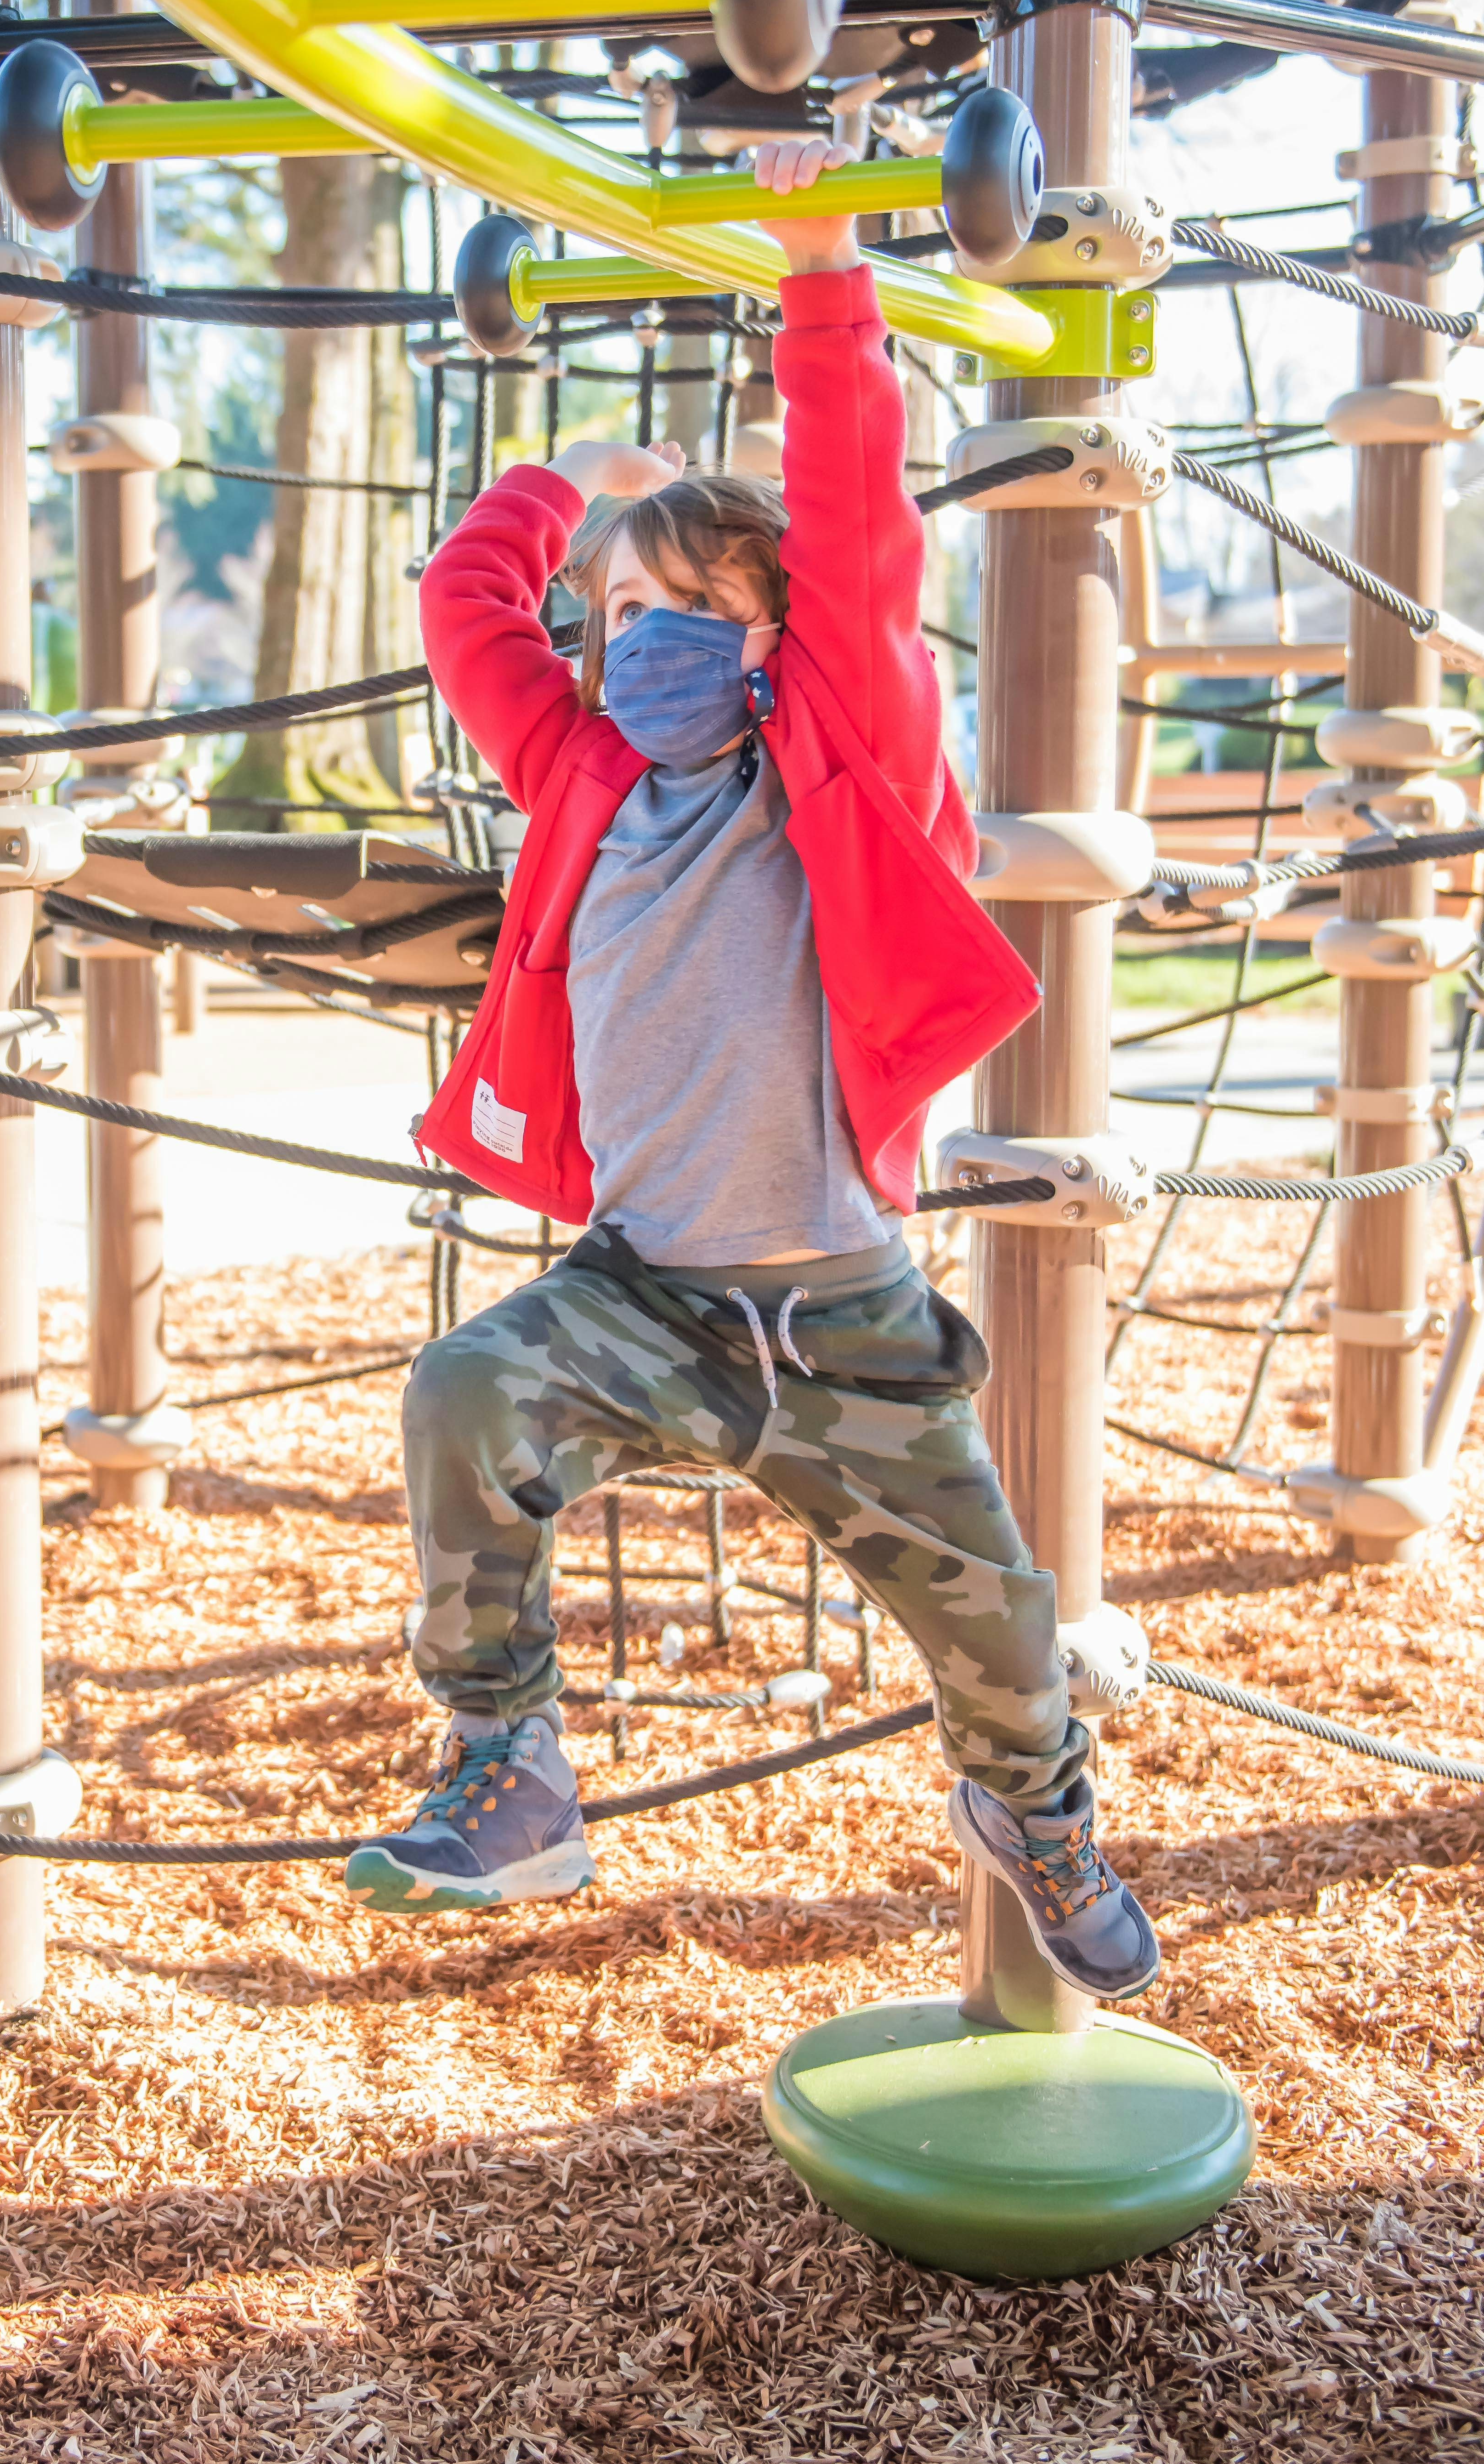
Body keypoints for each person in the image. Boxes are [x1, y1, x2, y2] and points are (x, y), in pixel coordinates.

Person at [343, 138, 1160, 2003]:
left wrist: (819, 267)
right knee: (466, 1387)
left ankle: (1032, 1810)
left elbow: (864, 540)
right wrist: (582, 486)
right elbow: (466, 609)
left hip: (847, 1320)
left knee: (1003, 1627)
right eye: (623, 617)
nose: (652, 645)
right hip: (647, 1292)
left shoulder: (839, 776)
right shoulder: (582, 778)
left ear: (771, 637)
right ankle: (509, 1765)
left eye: (696, 610)